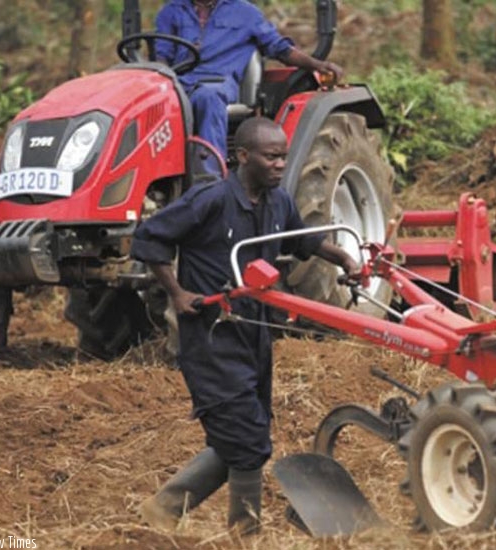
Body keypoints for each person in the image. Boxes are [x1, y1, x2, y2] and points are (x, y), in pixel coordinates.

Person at [132, 117, 359, 533]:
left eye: (284, 157)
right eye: (272, 157)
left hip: (255, 333)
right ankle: (245, 533)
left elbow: (300, 238)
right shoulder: (211, 200)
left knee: (237, 438)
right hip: (211, 335)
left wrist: (340, 256)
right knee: (250, 440)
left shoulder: (279, 201)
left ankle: (161, 511)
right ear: (243, 157)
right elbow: (150, 237)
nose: (279, 164)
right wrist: (177, 292)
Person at [155, 0, 344, 161]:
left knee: (207, 97)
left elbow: (280, 49)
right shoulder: (172, 11)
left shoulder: (245, 13)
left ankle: (209, 179)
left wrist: (317, 64)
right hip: (180, 82)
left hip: (218, 82)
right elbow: (162, 54)